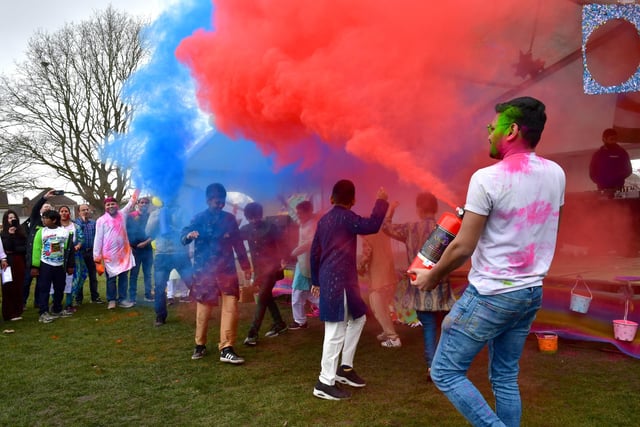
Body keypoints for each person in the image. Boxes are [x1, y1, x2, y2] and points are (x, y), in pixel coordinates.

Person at [409, 96, 565, 426]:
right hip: (530, 292)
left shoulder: (486, 178)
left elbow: (464, 246)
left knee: (445, 372)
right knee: (505, 378)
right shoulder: (556, 173)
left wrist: (431, 277)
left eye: (491, 127)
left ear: (511, 131)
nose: (488, 134)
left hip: (492, 295)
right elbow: (525, 221)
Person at [310, 180, 389, 401]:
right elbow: (372, 225)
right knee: (335, 331)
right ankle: (324, 382)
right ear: (353, 201)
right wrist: (381, 201)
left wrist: (316, 280)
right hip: (338, 280)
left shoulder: (324, 220)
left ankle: (344, 368)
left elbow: (314, 252)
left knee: (359, 318)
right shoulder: (346, 217)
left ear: (331, 199)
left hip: (339, 279)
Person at [382, 193, 456, 378]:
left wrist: (390, 209)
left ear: (419, 209)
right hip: (442, 288)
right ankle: (447, 363)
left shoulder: (410, 229)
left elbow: (386, 227)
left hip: (421, 289)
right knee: (445, 327)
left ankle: (433, 367)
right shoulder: (445, 230)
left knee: (429, 326)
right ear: (435, 208)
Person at [181, 183, 252, 364]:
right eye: (216, 201)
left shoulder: (229, 219)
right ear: (208, 200)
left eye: (222, 201)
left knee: (231, 307)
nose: (219, 204)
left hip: (227, 270)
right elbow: (183, 235)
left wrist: (245, 265)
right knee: (204, 309)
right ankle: (200, 344)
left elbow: (238, 244)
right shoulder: (198, 218)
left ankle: (226, 348)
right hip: (204, 271)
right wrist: (189, 235)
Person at [240, 202, 288, 346]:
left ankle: (252, 334)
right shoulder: (246, 229)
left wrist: (284, 258)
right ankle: (279, 323)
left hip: (272, 268)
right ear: (247, 217)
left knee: (261, 298)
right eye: (251, 218)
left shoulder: (271, 227)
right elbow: (235, 239)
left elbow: (283, 242)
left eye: (257, 217)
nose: (254, 220)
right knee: (266, 298)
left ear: (261, 215)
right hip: (259, 270)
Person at [146, 201, 193, 326]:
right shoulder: (156, 213)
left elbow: (188, 229)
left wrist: (173, 222)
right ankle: (160, 316)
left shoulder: (181, 211)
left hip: (180, 253)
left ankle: (202, 311)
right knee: (159, 287)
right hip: (162, 254)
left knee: (192, 283)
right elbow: (148, 232)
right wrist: (157, 217)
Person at [93, 192, 139, 310]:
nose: (110, 206)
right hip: (110, 256)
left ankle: (122, 299)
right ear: (105, 207)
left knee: (124, 277)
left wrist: (138, 189)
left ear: (117, 205)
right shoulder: (101, 220)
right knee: (111, 279)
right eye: (108, 205)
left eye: (112, 204)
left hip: (124, 254)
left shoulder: (122, 214)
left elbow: (131, 202)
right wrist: (97, 259)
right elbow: (98, 239)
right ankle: (111, 300)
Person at [358, 229, 401, 348]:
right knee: (384, 308)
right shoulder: (383, 233)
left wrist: (359, 268)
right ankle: (387, 331)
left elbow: (366, 256)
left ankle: (393, 338)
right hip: (391, 277)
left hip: (379, 279)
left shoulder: (367, 238)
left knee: (378, 309)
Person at [31, 210, 75, 323]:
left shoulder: (64, 232)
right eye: (43, 218)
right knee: (44, 288)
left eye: (45, 218)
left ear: (54, 220)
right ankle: (43, 312)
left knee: (59, 288)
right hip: (45, 264)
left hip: (59, 265)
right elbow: (36, 250)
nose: (43, 220)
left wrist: (70, 265)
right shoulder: (41, 232)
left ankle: (57, 308)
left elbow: (69, 250)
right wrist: (35, 266)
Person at [288, 200, 319, 330]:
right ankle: (336, 312)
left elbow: (310, 243)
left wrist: (294, 252)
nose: (298, 216)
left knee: (297, 293)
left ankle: (300, 321)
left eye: (301, 213)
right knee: (309, 294)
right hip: (303, 264)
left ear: (308, 212)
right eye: (297, 213)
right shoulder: (305, 223)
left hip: (306, 264)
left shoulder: (311, 225)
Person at [22, 189, 56, 306]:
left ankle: (38, 302)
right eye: (44, 206)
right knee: (26, 282)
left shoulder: (52, 225)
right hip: (31, 258)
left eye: (49, 207)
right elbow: (36, 208)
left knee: (41, 283)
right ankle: (22, 302)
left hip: (45, 258)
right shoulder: (36, 220)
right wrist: (44, 198)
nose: (46, 208)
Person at [74, 204, 103, 304]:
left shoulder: (93, 222)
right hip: (80, 253)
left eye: (87, 209)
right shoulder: (75, 223)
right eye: (83, 210)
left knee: (93, 276)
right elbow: (78, 232)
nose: (86, 211)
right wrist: (82, 220)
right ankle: (79, 299)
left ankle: (95, 297)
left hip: (91, 252)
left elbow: (97, 236)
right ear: (79, 212)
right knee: (80, 276)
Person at [126, 196, 154, 302]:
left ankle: (148, 295)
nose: (143, 204)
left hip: (147, 249)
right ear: (137, 204)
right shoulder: (130, 216)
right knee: (134, 274)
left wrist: (145, 242)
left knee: (148, 273)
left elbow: (155, 233)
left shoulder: (151, 216)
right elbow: (125, 233)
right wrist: (129, 246)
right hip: (134, 250)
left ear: (149, 205)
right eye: (141, 202)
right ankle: (132, 297)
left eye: (146, 203)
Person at [589, 128, 632, 193]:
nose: (614, 141)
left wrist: (617, 178)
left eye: (615, 139)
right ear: (604, 139)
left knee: (618, 203)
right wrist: (601, 181)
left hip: (618, 188)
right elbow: (592, 172)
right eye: (611, 139)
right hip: (602, 189)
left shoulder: (622, 153)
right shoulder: (597, 155)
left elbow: (628, 170)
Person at [1, 210, 26, 321]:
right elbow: (7, 248)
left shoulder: (21, 232)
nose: (12, 220)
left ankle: (18, 310)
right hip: (7, 262)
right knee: (8, 287)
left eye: (13, 217)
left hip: (19, 261)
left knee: (19, 286)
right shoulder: (3, 234)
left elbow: (24, 247)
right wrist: (10, 235)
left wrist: (16, 249)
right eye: (9, 218)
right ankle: (9, 313)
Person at [59, 205, 83, 312]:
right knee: (59, 280)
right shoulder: (56, 226)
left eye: (66, 211)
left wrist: (78, 246)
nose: (64, 213)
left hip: (74, 256)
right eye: (62, 211)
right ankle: (57, 303)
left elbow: (81, 239)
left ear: (69, 213)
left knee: (74, 279)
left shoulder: (75, 226)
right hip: (59, 257)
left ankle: (69, 302)